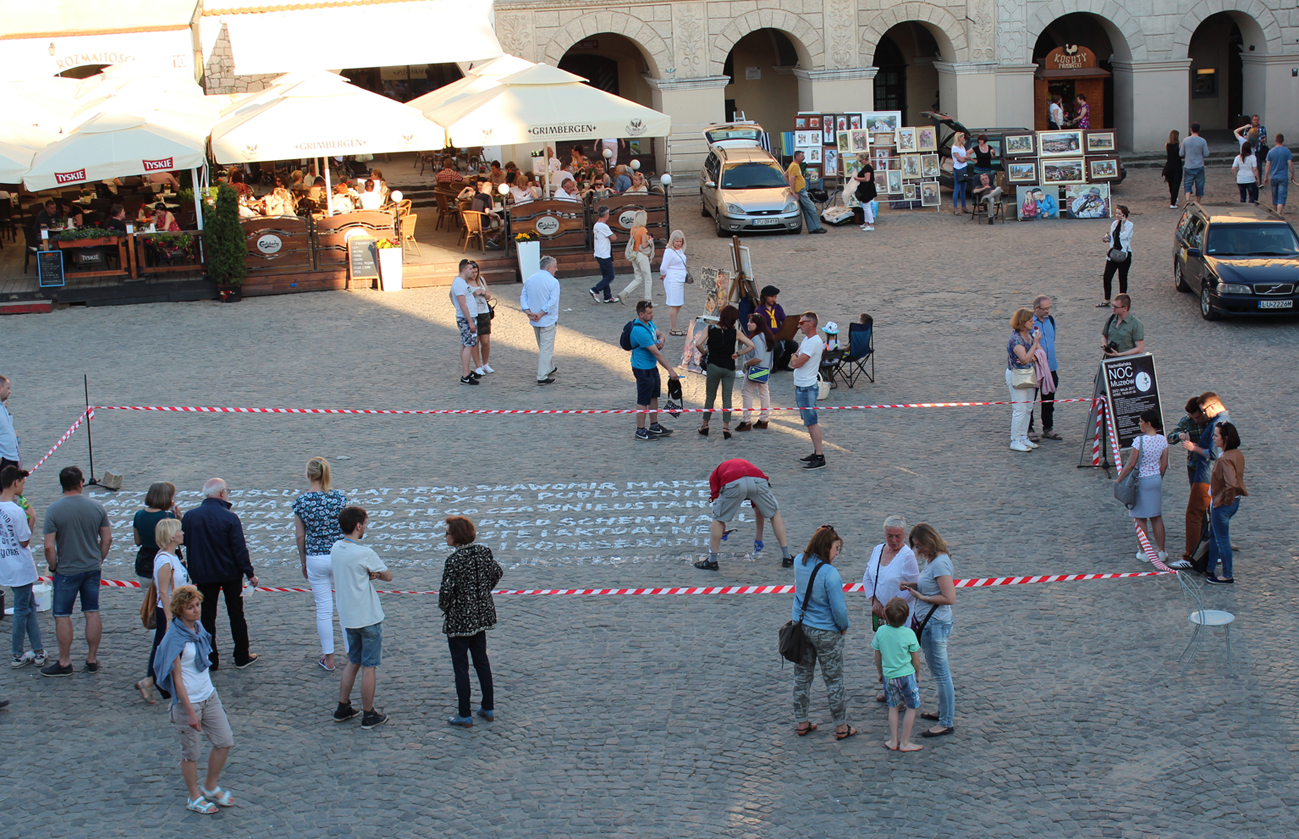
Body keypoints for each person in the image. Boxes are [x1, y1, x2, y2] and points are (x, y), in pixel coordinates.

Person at [153, 586, 238, 814]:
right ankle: (193, 797)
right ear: (179, 611)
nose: (196, 611)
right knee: (191, 754)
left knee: (225, 740)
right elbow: (177, 679)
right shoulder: (174, 639)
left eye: (197, 605)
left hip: (209, 695)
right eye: (190, 608)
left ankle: (210, 786)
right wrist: (190, 711)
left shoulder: (197, 628)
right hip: (188, 702)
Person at [39, 466, 111, 678]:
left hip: (66, 571)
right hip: (91, 568)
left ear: (62, 485)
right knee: (92, 611)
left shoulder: (54, 510)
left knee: (62, 615)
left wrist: (53, 567)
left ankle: (64, 662)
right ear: (81, 483)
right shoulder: (97, 507)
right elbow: (107, 539)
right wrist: (99, 559)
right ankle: (91, 659)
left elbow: (49, 547)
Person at [181, 479, 259, 671]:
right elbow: (239, 550)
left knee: (206, 617)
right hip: (230, 573)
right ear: (222, 493)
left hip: (203, 574)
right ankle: (241, 655)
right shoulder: (229, 517)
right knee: (236, 614)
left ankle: (210, 658)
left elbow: (184, 542)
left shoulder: (190, 517)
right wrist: (249, 573)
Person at [329, 506, 391, 729]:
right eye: (365, 523)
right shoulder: (364, 553)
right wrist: (374, 573)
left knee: (352, 660)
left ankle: (342, 706)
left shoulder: (336, 548)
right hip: (367, 616)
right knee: (369, 666)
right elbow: (388, 576)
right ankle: (368, 713)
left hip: (348, 616)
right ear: (358, 526)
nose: (365, 527)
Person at [438, 515, 502, 727]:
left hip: (459, 619)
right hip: (480, 616)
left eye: (447, 533)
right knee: (481, 660)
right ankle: (488, 707)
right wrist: (482, 592)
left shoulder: (454, 560)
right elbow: (496, 572)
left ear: (456, 536)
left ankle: (464, 714)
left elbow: (446, 592)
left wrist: (445, 607)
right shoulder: (483, 551)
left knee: (460, 666)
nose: (445, 536)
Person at [790, 525, 853, 740]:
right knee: (834, 680)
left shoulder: (799, 561)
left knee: (802, 677)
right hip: (826, 632)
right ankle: (840, 726)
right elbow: (838, 609)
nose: (837, 553)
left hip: (802, 628)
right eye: (836, 548)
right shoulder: (830, 574)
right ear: (826, 547)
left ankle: (802, 721)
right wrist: (844, 626)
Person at [899, 523, 956, 738]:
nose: (917, 551)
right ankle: (943, 713)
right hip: (930, 624)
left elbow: (949, 597)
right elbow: (929, 583)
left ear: (929, 542)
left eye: (919, 547)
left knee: (941, 675)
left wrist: (923, 598)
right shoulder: (933, 560)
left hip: (935, 625)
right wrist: (912, 583)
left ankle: (946, 722)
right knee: (938, 672)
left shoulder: (940, 563)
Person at [293, 457, 346, 672]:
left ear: (308, 474)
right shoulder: (339, 498)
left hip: (315, 556)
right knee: (344, 607)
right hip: (339, 555)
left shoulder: (302, 502)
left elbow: (299, 536)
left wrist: (303, 561)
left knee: (324, 609)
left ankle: (329, 658)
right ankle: (352, 654)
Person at [699, 458, 793, 571]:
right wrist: (759, 539)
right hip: (758, 481)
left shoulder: (715, 475)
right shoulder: (750, 468)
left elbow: (717, 505)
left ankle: (712, 561)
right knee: (774, 514)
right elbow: (759, 511)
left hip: (733, 481)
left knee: (717, 519)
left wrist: (722, 524)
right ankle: (787, 556)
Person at [863, 515, 919, 702]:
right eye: (890, 536)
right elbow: (867, 577)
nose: (894, 541)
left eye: (898, 536)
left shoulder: (908, 556)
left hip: (900, 615)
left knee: (901, 654)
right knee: (885, 651)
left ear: (904, 536)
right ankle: (890, 688)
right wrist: (873, 601)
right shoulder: (878, 550)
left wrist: (892, 608)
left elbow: (914, 586)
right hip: (881, 612)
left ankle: (904, 692)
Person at [137, 518, 190, 704]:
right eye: (179, 531)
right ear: (171, 536)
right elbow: (163, 592)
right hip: (169, 612)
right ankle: (159, 681)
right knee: (163, 647)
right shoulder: (165, 560)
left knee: (163, 646)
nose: (182, 534)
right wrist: (169, 617)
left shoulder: (173, 555)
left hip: (177, 610)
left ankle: (153, 681)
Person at [1178, 393, 1231, 572]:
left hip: (1206, 475)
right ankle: (1212, 553)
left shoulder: (1218, 423)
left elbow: (1213, 453)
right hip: (1214, 475)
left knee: (1194, 514)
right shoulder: (1224, 420)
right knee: (1212, 515)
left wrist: (1194, 448)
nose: (1203, 415)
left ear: (1210, 406)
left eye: (1203, 411)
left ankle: (1190, 556)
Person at [2, 467, 44, 670]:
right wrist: (32, 518)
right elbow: (25, 540)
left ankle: (38, 651)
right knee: (22, 610)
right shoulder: (17, 511)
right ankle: (17, 654)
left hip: (7, 565)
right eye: (23, 483)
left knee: (28, 608)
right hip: (20, 566)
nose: (24, 486)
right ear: (15, 483)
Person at [1116, 410, 1170, 562]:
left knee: (1140, 518)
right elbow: (1164, 464)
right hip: (1155, 479)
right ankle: (1162, 551)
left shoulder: (1139, 441)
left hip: (1142, 480)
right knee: (1156, 517)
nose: (1139, 424)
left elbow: (1131, 463)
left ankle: (1144, 551)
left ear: (1148, 423)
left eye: (1141, 421)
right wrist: (1159, 477)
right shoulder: (1162, 440)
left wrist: (1119, 479)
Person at [695, 305, 754, 440]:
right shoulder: (735, 332)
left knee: (710, 396)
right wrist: (738, 353)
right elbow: (751, 345)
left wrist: (705, 352)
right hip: (728, 367)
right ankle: (726, 427)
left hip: (713, 366)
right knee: (727, 398)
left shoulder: (710, 329)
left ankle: (705, 425)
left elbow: (698, 343)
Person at [873, 597, 924, 753]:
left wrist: (880, 673)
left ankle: (893, 741)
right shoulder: (909, 633)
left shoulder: (881, 632)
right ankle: (905, 742)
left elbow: (877, 656)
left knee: (892, 708)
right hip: (907, 675)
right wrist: (918, 673)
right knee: (911, 707)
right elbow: (915, 659)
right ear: (907, 616)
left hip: (889, 675)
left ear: (885, 615)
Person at [1166, 397, 1209, 568]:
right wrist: (1179, 435)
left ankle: (1206, 544)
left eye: (1198, 417)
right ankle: (1204, 538)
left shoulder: (1211, 421)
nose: (1197, 420)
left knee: (1202, 507)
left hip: (1207, 467)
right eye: (1194, 418)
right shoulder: (1187, 421)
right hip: (1194, 466)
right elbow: (1170, 437)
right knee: (1198, 506)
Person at [628, 300, 679, 442]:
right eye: (649, 313)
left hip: (651, 366)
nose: (652, 315)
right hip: (642, 368)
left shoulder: (649, 323)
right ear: (641, 314)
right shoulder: (639, 330)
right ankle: (640, 430)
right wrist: (670, 370)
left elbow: (660, 334)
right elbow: (657, 353)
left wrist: (661, 340)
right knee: (643, 399)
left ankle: (654, 425)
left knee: (654, 396)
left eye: (652, 312)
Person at [1205, 422, 1247, 584]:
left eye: (1216, 435)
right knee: (1215, 535)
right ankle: (1209, 567)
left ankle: (1227, 574)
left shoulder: (1224, 460)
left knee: (1222, 540)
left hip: (1223, 504)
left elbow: (1231, 484)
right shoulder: (1237, 454)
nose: (1213, 438)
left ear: (1226, 439)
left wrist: (1223, 502)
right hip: (1233, 502)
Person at [790, 312, 827, 469]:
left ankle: (819, 455)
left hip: (807, 388)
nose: (799, 326)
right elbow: (795, 357)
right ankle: (816, 452)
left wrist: (794, 359)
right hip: (802, 386)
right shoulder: (807, 340)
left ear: (810, 323)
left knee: (812, 422)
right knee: (809, 422)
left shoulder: (814, 342)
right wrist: (794, 358)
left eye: (801, 322)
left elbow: (797, 362)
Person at [521, 256, 561, 385]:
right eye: (555, 267)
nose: (556, 269)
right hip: (547, 319)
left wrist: (528, 312)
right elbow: (552, 302)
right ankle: (542, 375)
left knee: (543, 346)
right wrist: (541, 313)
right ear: (549, 268)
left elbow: (523, 297)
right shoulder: (553, 282)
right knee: (546, 348)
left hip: (534, 318)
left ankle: (549, 367)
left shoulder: (530, 279)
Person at [1005, 308, 1041, 453]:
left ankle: (1023, 436)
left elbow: (1036, 354)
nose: (1033, 322)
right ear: (1022, 322)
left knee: (1028, 408)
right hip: (1017, 375)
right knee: (1019, 409)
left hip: (1028, 372)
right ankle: (1015, 440)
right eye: (1030, 320)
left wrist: (1032, 355)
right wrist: (1034, 347)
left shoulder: (1028, 335)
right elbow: (1026, 358)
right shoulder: (1015, 340)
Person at [1027, 295, 1061, 442]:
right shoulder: (1029, 323)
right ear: (1036, 309)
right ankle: (1028, 428)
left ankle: (1048, 428)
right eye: (1044, 308)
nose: (1047, 311)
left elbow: (1051, 340)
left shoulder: (1051, 321)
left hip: (1051, 367)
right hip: (1035, 368)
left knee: (1049, 399)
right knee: (1030, 399)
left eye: (1049, 308)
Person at [133, 481, 179, 584]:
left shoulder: (139, 514)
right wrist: (179, 518)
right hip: (165, 564)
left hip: (145, 564)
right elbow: (178, 541)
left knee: (148, 599)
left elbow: (137, 541)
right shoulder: (168, 518)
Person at [736, 313, 775, 432]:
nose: (748, 324)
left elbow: (758, 357)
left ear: (758, 325)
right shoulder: (766, 336)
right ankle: (764, 419)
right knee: (764, 392)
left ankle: (746, 420)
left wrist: (747, 363)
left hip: (755, 370)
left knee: (746, 392)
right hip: (764, 370)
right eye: (748, 321)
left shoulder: (757, 338)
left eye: (751, 322)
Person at [451, 259, 482, 385]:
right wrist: (470, 321)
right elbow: (463, 305)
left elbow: (451, 296)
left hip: (466, 317)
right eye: (470, 269)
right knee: (468, 345)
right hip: (466, 319)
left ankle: (467, 370)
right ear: (463, 270)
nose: (472, 271)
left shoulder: (461, 282)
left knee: (465, 344)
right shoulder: (459, 284)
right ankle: (465, 375)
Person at [1098, 204, 1134, 307]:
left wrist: (1122, 223)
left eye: (1119, 214)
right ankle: (1107, 299)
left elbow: (1123, 236)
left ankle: (1123, 301)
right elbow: (1112, 236)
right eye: (1116, 213)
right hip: (1114, 253)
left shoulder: (1129, 225)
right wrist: (1107, 239)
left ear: (1124, 215)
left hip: (1124, 255)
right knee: (1107, 276)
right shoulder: (1114, 223)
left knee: (1122, 277)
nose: (1117, 215)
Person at [618, 210, 654, 304]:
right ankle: (648, 300)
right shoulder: (643, 230)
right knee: (648, 278)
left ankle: (624, 292)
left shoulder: (633, 228)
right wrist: (650, 240)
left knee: (638, 277)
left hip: (634, 254)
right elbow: (644, 245)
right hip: (642, 255)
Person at [786, 151, 825, 234]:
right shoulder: (795, 166)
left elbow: (785, 175)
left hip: (800, 190)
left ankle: (812, 228)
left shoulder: (793, 165)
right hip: (800, 191)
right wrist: (793, 192)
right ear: (797, 156)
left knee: (806, 210)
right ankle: (817, 227)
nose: (803, 158)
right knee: (811, 208)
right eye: (802, 156)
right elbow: (792, 179)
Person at [757, 286, 796, 371]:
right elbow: (763, 326)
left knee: (793, 345)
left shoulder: (777, 307)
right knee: (776, 346)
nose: (773, 299)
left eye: (775, 297)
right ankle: (774, 364)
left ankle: (783, 363)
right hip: (768, 336)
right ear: (765, 297)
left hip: (779, 334)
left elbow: (784, 320)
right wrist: (778, 330)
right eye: (771, 297)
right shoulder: (759, 310)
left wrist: (791, 324)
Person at [659, 230, 689, 335]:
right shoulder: (669, 251)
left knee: (678, 304)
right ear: (672, 241)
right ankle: (674, 328)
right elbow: (663, 267)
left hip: (679, 279)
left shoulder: (680, 250)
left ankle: (673, 326)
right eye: (676, 241)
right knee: (674, 304)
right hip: (672, 280)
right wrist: (663, 275)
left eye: (680, 241)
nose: (678, 243)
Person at [468, 261, 494, 376]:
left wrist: (483, 293)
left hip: (484, 312)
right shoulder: (464, 282)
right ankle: (478, 366)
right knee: (475, 341)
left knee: (485, 341)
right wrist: (474, 293)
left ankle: (485, 363)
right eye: (472, 271)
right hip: (473, 313)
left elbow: (489, 295)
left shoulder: (481, 280)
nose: (474, 274)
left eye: (476, 271)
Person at [587, 205, 618, 303]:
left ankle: (607, 296)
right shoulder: (604, 226)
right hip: (604, 254)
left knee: (605, 276)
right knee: (610, 275)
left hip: (598, 253)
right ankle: (595, 289)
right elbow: (613, 237)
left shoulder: (596, 225)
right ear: (606, 214)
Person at [1101, 294, 1144, 359]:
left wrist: (1119, 354)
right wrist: (1104, 345)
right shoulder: (1111, 319)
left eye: (1116, 307)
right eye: (1113, 305)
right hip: (1110, 360)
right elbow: (1105, 336)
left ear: (1125, 308)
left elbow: (1139, 348)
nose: (1113, 308)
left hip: (1126, 362)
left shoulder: (1135, 324)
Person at [470, 179, 504, 249]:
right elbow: (488, 212)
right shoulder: (487, 197)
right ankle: (492, 240)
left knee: (493, 222)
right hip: (483, 224)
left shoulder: (475, 197)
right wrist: (496, 215)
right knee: (504, 223)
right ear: (489, 190)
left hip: (472, 223)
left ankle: (490, 241)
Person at [1264, 134, 1293, 213]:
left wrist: (1266, 177)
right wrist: (1292, 175)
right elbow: (1290, 164)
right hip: (1283, 176)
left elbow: (1267, 166)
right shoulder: (1287, 151)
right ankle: (1279, 212)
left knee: (1275, 195)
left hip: (1273, 177)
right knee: (1282, 195)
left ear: (1275, 140)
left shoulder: (1271, 151)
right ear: (1283, 140)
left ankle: (1276, 210)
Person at [1181, 123, 1209, 201]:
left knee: (1187, 184)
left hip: (1189, 165)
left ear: (1191, 130)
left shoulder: (1185, 140)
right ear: (1199, 130)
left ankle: (1188, 200)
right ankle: (1198, 202)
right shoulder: (1202, 141)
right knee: (1200, 185)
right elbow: (1206, 154)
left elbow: (1181, 153)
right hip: (1199, 165)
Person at [0, 375, 20, 472]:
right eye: (7, 388)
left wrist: (17, 439)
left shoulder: (3, 407)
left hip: (12, 458)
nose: (9, 392)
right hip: (4, 460)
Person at [852, 156, 877, 231]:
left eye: (860, 161)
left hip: (867, 189)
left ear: (864, 159)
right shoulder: (868, 167)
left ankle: (871, 224)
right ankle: (866, 222)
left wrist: (857, 178)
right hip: (867, 188)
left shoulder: (867, 167)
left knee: (867, 207)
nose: (860, 162)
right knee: (866, 206)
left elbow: (867, 179)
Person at [949, 132, 969, 216]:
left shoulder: (962, 147)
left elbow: (964, 158)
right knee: (957, 188)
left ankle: (964, 206)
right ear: (958, 138)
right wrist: (965, 159)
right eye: (962, 137)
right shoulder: (954, 148)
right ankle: (955, 208)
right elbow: (960, 159)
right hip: (958, 169)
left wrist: (964, 159)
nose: (963, 139)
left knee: (963, 189)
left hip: (964, 168)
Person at [1163, 130, 1184, 209]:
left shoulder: (1167, 145)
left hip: (1169, 166)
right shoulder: (1179, 145)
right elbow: (1181, 154)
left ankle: (1173, 197)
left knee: (1171, 184)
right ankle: (1173, 202)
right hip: (1177, 166)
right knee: (1176, 184)